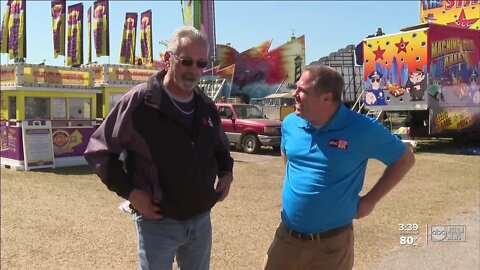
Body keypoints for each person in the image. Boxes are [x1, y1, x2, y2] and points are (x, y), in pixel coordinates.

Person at [84, 26, 234, 270]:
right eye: (186, 61)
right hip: (157, 222)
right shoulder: (140, 101)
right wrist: (131, 193)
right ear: (168, 59)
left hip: (200, 219)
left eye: (200, 63)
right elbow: (99, 152)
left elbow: (220, 149)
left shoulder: (206, 106)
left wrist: (227, 173)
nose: (193, 70)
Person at [264, 65, 415, 270]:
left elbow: (404, 159)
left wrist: (370, 201)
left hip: (330, 247)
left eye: (302, 91)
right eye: (296, 88)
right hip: (287, 239)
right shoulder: (290, 123)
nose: (294, 95)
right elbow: (287, 154)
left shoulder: (362, 128)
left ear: (327, 98)